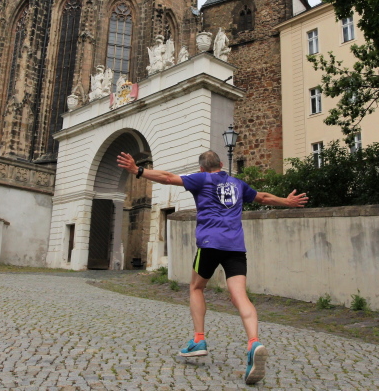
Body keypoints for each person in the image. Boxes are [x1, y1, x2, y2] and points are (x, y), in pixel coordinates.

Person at [117, 150, 308, 385]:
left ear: (201, 168)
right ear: (221, 164)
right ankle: (254, 342)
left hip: (210, 244)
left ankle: (199, 339)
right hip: (235, 247)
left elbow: (167, 177)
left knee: (196, 287)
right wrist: (287, 202)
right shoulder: (237, 184)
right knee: (240, 296)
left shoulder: (201, 179)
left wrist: (138, 170)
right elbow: (264, 197)